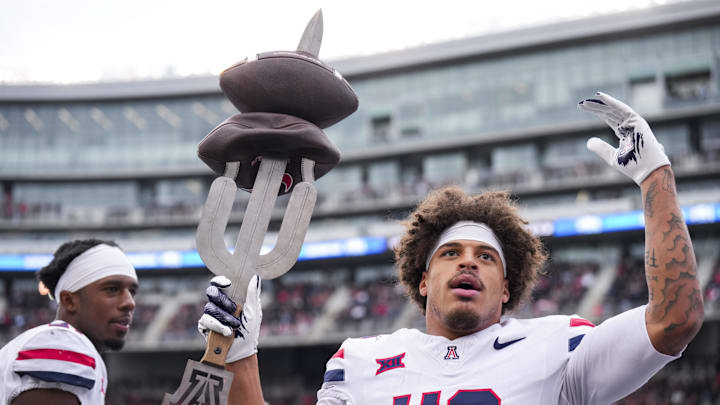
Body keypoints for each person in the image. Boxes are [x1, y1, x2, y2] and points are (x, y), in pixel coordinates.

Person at [198, 92, 704, 404]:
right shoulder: (360, 360)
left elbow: (674, 319)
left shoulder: (559, 349)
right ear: (422, 280)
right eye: (450, 253)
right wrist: (241, 351)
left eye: (486, 257)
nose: (468, 260)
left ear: (506, 290)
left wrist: (654, 177)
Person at [0, 239, 139, 405]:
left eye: (132, 291)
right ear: (69, 300)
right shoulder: (62, 344)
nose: (130, 302)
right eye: (112, 289)